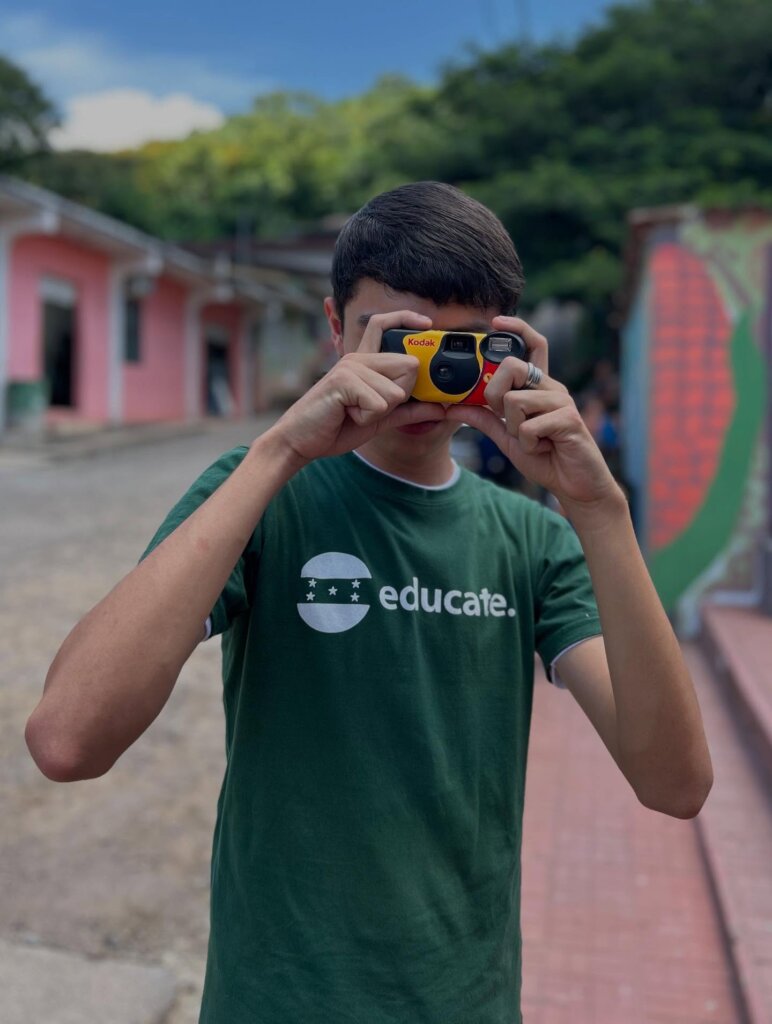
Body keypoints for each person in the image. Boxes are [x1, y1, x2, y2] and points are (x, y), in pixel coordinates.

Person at [25, 182, 713, 1024]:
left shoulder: (532, 542)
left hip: (464, 1006)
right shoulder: (263, 496)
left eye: (457, 345)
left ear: (506, 342)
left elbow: (675, 783)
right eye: (398, 340)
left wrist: (599, 509)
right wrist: (280, 450)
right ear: (335, 328)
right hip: (274, 1003)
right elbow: (67, 740)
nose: (428, 372)